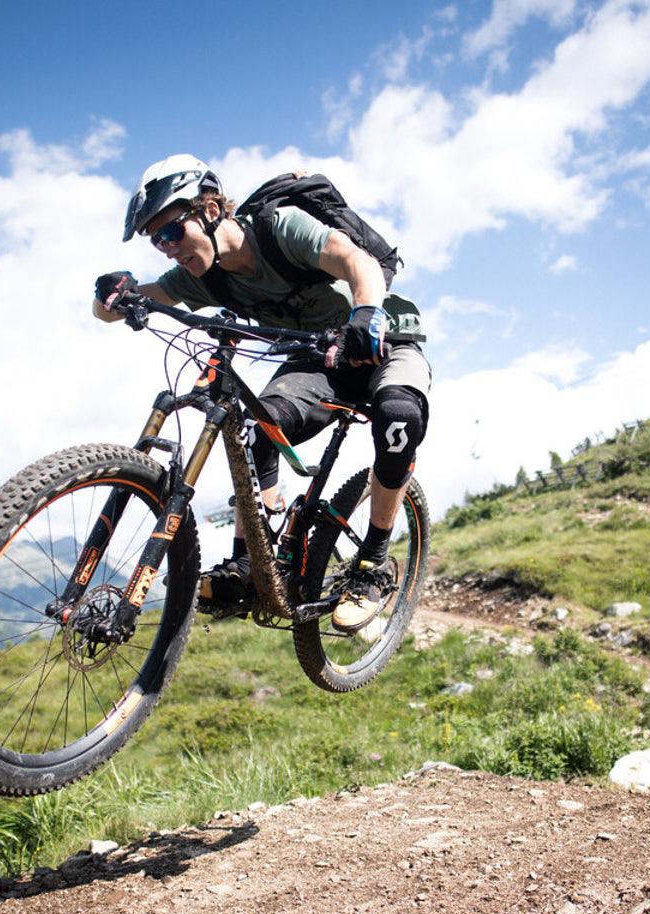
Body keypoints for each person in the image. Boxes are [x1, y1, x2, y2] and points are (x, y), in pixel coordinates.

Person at [93, 154, 430, 632]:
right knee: (256, 426)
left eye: (170, 233)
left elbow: (359, 262)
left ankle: (372, 565)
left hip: (380, 339)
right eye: (156, 241)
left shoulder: (279, 229)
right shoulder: (201, 276)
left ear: (208, 209)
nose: (167, 249)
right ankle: (256, 558)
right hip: (316, 362)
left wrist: (364, 315)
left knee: (399, 416)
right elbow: (118, 307)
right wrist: (110, 292)